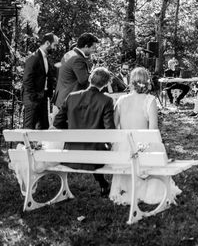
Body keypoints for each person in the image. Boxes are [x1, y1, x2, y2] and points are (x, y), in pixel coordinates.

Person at [109, 67, 181, 205]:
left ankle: (126, 189)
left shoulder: (121, 100)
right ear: (147, 82)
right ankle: (149, 190)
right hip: (142, 147)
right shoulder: (150, 100)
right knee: (156, 148)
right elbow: (153, 130)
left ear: (131, 82)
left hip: (124, 150)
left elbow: (114, 127)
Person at [53, 67, 115, 197]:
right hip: (94, 157)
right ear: (105, 84)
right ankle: (104, 184)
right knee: (102, 148)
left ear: (89, 79)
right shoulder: (106, 100)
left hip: (70, 154)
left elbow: (57, 122)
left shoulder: (71, 97)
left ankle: (104, 184)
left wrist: (72, 130)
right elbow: (110, 130)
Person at [54, 32, 99, 111]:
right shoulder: (78, 59)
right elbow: (84, 80)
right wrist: (97, 73)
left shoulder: (69, 54)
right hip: (71, 102)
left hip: (62, 99)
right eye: (93, 48)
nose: (94, 50)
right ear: (86, 46)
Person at [22, 32, 58, 129]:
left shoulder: (45, 58)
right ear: (47, 43)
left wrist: (48, 95)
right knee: (29, 129)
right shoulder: (33, 58)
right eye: (54, 45)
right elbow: (27, 79)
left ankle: (38, 145)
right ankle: (21, 145)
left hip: (42, 99)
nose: (55, 48)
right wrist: (34, 97)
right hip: (33, 99)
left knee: (44, 128)